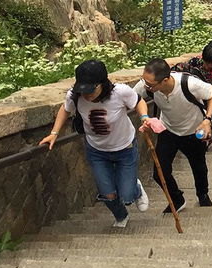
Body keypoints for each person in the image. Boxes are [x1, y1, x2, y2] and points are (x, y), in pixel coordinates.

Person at [40, 59, 151, 228]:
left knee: (127, 195)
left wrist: (144, 118)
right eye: (82, 90)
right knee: (108, 194)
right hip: (97, 151)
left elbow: (139, 101)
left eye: (90, 91)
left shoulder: (120, 92)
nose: (86, 95)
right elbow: (65, 109)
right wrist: (54, 133)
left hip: (125, 148)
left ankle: (135, 187)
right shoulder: (74, 95)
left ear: (102, 84)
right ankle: (121, 216)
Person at [135, 57, 212, 213]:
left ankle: (203, 194)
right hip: (168, 130)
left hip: (193, 131)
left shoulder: (189, 84)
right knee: (159, 172)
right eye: (144, 81)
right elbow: (132, 97)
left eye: (150, 84)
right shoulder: (147, 85)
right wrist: (144, 117)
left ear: (165, 80)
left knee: (198, 166)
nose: (146, 86)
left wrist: (207, 119)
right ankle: (177, 199)